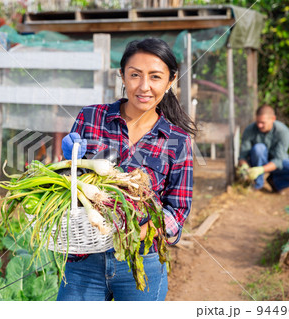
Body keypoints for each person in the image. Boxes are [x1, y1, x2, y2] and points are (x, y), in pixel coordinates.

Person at [58, 38, 196, 301]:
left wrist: (138, 231)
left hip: (141, 261)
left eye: (155, 77)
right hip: (84, 259)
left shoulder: (177, 140)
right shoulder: (91, 117)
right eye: (135, 75)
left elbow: (177, 210)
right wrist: (67, 164)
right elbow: (70, 186)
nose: (144, 87)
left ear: (170, 82)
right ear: (122, 75)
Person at [238, 105, 289, 192]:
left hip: (279, 162)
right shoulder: (250, 130)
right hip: (256, 161)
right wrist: (245, 166)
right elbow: (242, 156)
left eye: (263, 122)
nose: (259, 125)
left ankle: (276, 183)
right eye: (257, 122)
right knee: (258, 149)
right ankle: (257, 184)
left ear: (273, 119)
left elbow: (278, 160)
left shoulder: (283, 131)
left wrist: (261, 169)